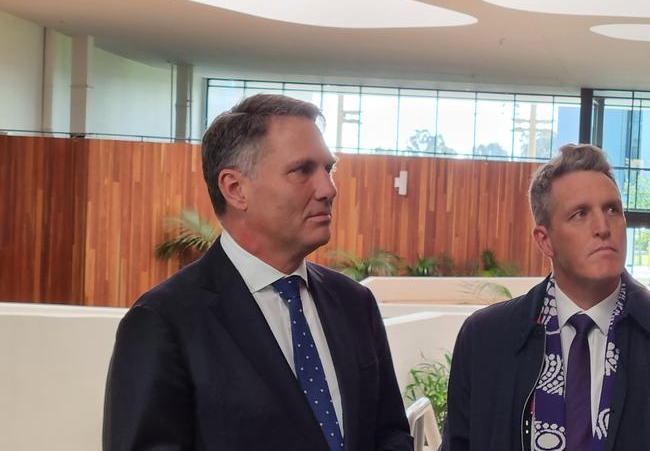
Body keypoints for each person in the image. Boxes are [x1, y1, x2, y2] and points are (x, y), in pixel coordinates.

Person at [103, 94, 412, 451]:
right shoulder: (165, 320)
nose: (328, 189)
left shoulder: (354, 303)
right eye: (302, 171)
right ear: (235, 189)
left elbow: (388, 432)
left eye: (328, 169)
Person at [441, 144, 650, 451]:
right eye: (580, 214)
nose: (603, 227)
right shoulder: (486, 338)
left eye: (612, 210)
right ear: (545, 240)